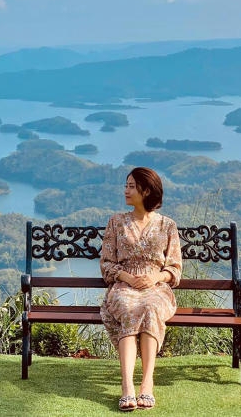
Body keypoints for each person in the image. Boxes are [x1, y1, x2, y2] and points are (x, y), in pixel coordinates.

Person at [99, 167, 182, 412]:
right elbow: (106, 263)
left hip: (156, 288)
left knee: (150, 308)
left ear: (146, 191)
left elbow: (175, 268)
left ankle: (147, 383)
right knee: (128, 308)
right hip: (123, 286)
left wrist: (155, 277)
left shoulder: (167, 225)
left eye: (131, 186)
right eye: (126, 186)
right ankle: (127, 386)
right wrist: (126, 277)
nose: (126, 191)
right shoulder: (116, 222)